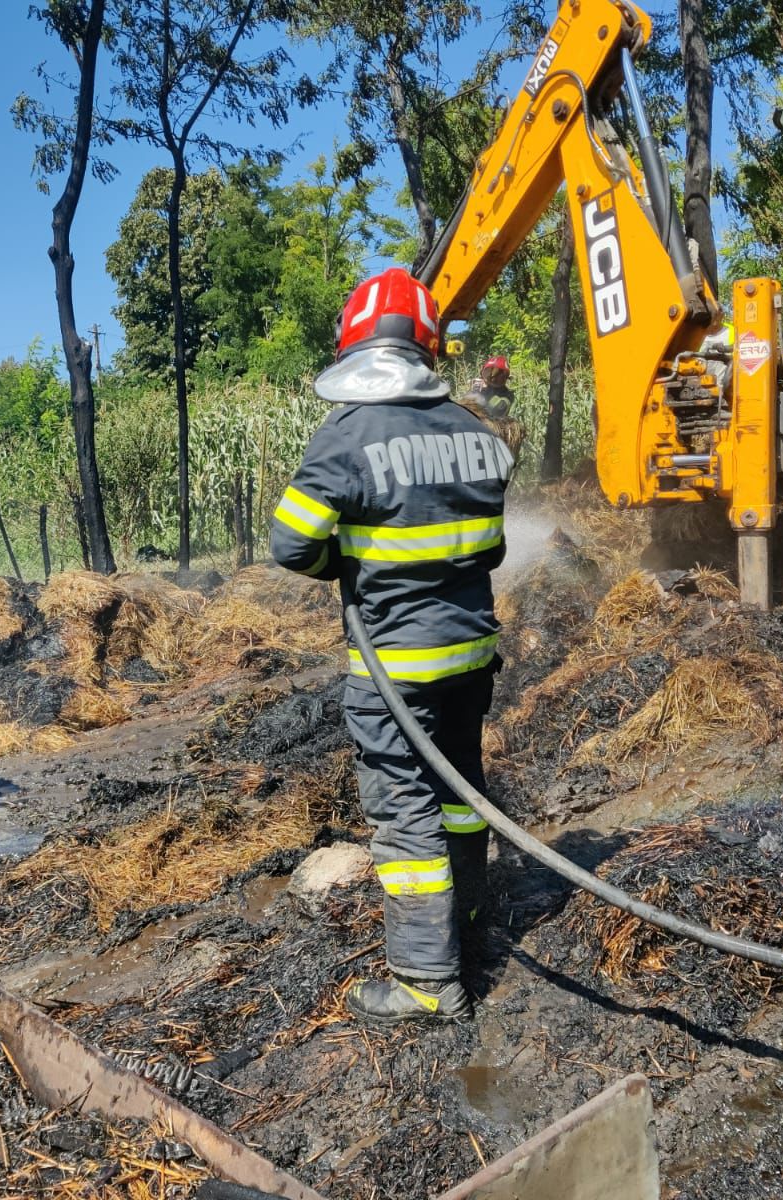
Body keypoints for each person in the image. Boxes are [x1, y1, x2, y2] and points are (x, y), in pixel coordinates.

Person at [270, 267, 513, 1025]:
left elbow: (290, 544)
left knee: (404, 813)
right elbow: (492, 549)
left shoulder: (346, 437)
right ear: (427, 346)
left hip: (395, 669)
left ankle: (426, 980)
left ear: (355, 345)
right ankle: (468, 917)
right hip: (470, 655)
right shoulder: (477, 432)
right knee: (462, 789)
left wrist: (345, 560)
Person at [468, 355, 514, 421]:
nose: (492, 379)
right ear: (482, 372)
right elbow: (464, 408)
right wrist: (472, 392)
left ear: (505, 378)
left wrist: (478, 394)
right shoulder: (479, 386)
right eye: (488, 373)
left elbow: (494, 413)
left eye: (498, 376)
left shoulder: (507, 396)